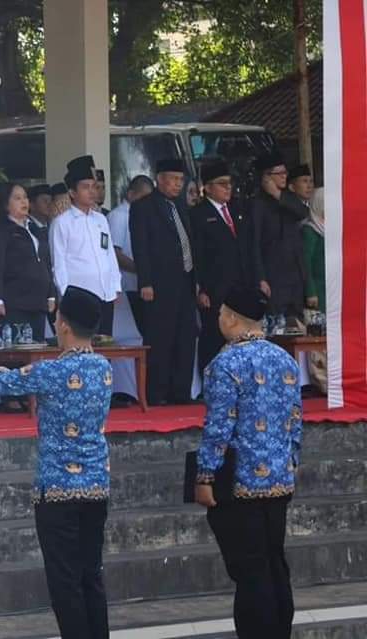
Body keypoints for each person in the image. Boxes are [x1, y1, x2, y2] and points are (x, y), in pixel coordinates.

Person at [0, 286, 113, 639]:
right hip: (96, 486)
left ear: (62, 324)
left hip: (57, 489)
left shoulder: (51, 371)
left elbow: (0, 384)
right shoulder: (103, 367)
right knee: (91, 575)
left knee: (65, 582)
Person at [194, 286, 302, 639]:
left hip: (240, 484)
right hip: (280, 480)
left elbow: (218, 428)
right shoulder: (285, 360)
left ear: (232, 319)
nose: (219, 319)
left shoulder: (224, 365)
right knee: (275, 564)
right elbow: (296, 422)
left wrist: (205, 475)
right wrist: (290, 464)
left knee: (250, 572)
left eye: (222, 313)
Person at [129, 158, 197, 405]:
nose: (178, 185)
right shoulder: (143, 207)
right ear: (160, 179)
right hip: (158, 283)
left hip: (185, 280)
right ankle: (156, 394)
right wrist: (145, 281)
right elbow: (141, 246)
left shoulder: (180, 206)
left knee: (186, 337)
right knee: (160, 338)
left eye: (181, 180)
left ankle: (180, 392)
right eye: (174, 179)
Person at [189, 161, 260, 373]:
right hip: (215, 287)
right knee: (213, 334)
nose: (228, 188)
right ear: (207, 187)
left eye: (229, 183)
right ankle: (209, 379)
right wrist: (200, 287)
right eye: (221, 184)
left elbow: (250, 247)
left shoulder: (238, 210)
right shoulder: (198, 214)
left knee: (241, 334)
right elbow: (197, 254)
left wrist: (258, 279)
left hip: (241, 285)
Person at [50, 156, 121, 336]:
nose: (91, 192)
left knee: (105, 347)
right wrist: (66, 294)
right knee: (83, 346)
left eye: (94, 187)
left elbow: (109, 254)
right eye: (85, 187)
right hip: (79, 298)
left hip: (105, 294)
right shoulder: (62, 223)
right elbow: (58, 264)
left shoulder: (101, 220)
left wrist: (115, 285)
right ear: (72, 192)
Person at [0, 182, 56, 342]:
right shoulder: (1, 232)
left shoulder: (34, 229)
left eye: (25, 198)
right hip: (14, 301)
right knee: (17, 348)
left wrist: (51, 295)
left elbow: (46, 263)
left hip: (37, 300)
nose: (24, 202)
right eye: (17, 198)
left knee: (37, 346)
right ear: (6, 204)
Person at [251, 152, 309, 323]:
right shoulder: (258, 204)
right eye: (279, 173)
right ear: (267, 177)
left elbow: (302, 213)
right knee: (276, 326)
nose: (285, 176)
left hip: (295, 276)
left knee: (297, 325)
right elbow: (254, 243)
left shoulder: (287, 198)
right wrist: (260, 277)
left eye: (285, 173)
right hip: (274, 277)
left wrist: (277, 194)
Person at [107, 175, 154, 335]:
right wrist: (142, 270)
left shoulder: (145, 215)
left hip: (141, 284)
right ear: (130, 194)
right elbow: (114, 253)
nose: (146, 201)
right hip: (127, 286)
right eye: (143, 197)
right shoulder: (119, 216)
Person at [302, 188, 326, 392]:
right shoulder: (310, 230)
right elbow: (306, 264)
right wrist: (311, 291)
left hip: (330, 291)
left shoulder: (329, 228)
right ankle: (320, 381)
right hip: (317, 292)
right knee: (317, 338)